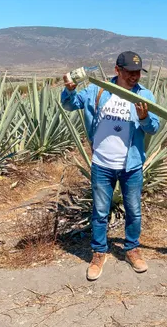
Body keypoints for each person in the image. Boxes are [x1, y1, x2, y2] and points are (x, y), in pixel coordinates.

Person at [61, 51, 160, 280]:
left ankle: (132, 249)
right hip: (102, 164)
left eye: (138, 72)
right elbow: (70, 104)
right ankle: (99, 252)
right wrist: (69, 89)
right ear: (117, 70)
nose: (135, 76)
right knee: (100, 212)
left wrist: (144, 118)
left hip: (131, 165)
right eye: (130, 72)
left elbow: (154, 128)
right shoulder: (98, 90)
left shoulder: (144, 95)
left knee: (134, 210)